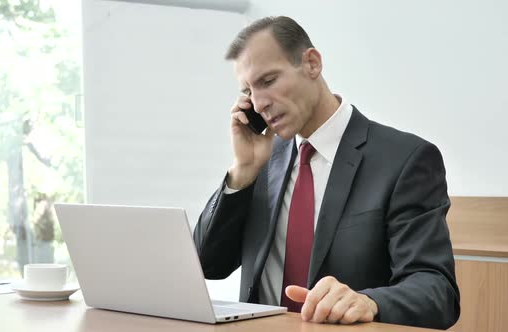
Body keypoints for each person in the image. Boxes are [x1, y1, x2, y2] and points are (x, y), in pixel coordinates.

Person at [193, 16, 460, 329]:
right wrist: (242, 171)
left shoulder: (405, 160)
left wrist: (370, 302)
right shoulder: (262, 161)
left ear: (312, 64)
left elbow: (436, 291)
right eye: (248, 91)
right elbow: (206, 265)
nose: (260, 103)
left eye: (268, 81)